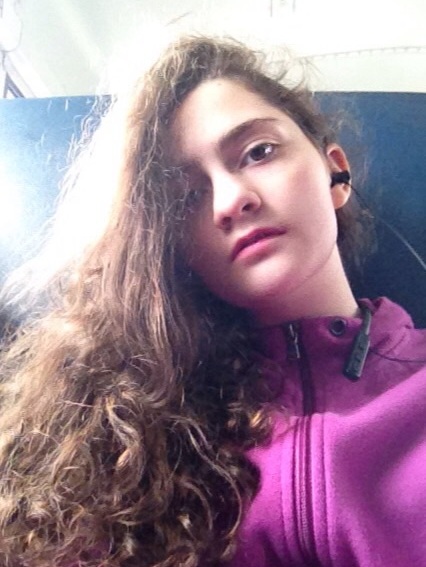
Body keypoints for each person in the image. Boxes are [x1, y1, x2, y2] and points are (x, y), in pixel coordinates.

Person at [0, 35, 425, 567]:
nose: (232, 200)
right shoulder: (128, 437)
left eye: (258, 152)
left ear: (335, 171)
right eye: (188, 196)